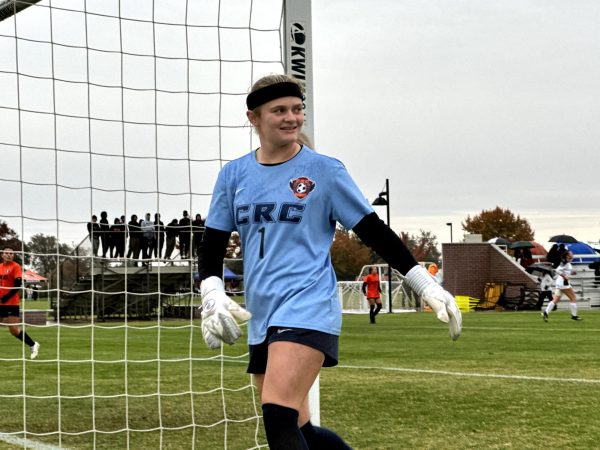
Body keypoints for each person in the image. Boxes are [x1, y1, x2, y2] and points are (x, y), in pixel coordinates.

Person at [196, 74, 461, 450]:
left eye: (297, 109)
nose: (292, 117)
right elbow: (212, 245)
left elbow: (374, 232)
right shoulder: (233, 174)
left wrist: (425, 283)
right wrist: (212, 293)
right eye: (279, 110)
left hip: (308, 305)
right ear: (254, 118)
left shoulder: (324, 171)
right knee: (302, 432)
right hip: (261, 312)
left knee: (277, 414)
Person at [0, 248, 40, 359]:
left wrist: (5, 297)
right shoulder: (0, 267)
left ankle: (33, 344)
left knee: (13, 330)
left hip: (11, 302)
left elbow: (17, 285)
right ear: (2, 255)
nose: (9, 255)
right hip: (1, 302)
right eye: (6, 253)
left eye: (11, 254)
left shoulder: (16, 266)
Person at [542, 250, 582, 321]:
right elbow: (557, 270)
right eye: (571, 253)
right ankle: (574, 316)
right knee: (573, 298)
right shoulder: (565, 262)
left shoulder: (567, 263)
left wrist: (571, 273)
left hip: (560, 283)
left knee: (555, 300)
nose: (572, 254)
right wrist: (564, 276)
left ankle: (546, 312)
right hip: (563, 283)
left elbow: (565, 272)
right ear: (567, 255)